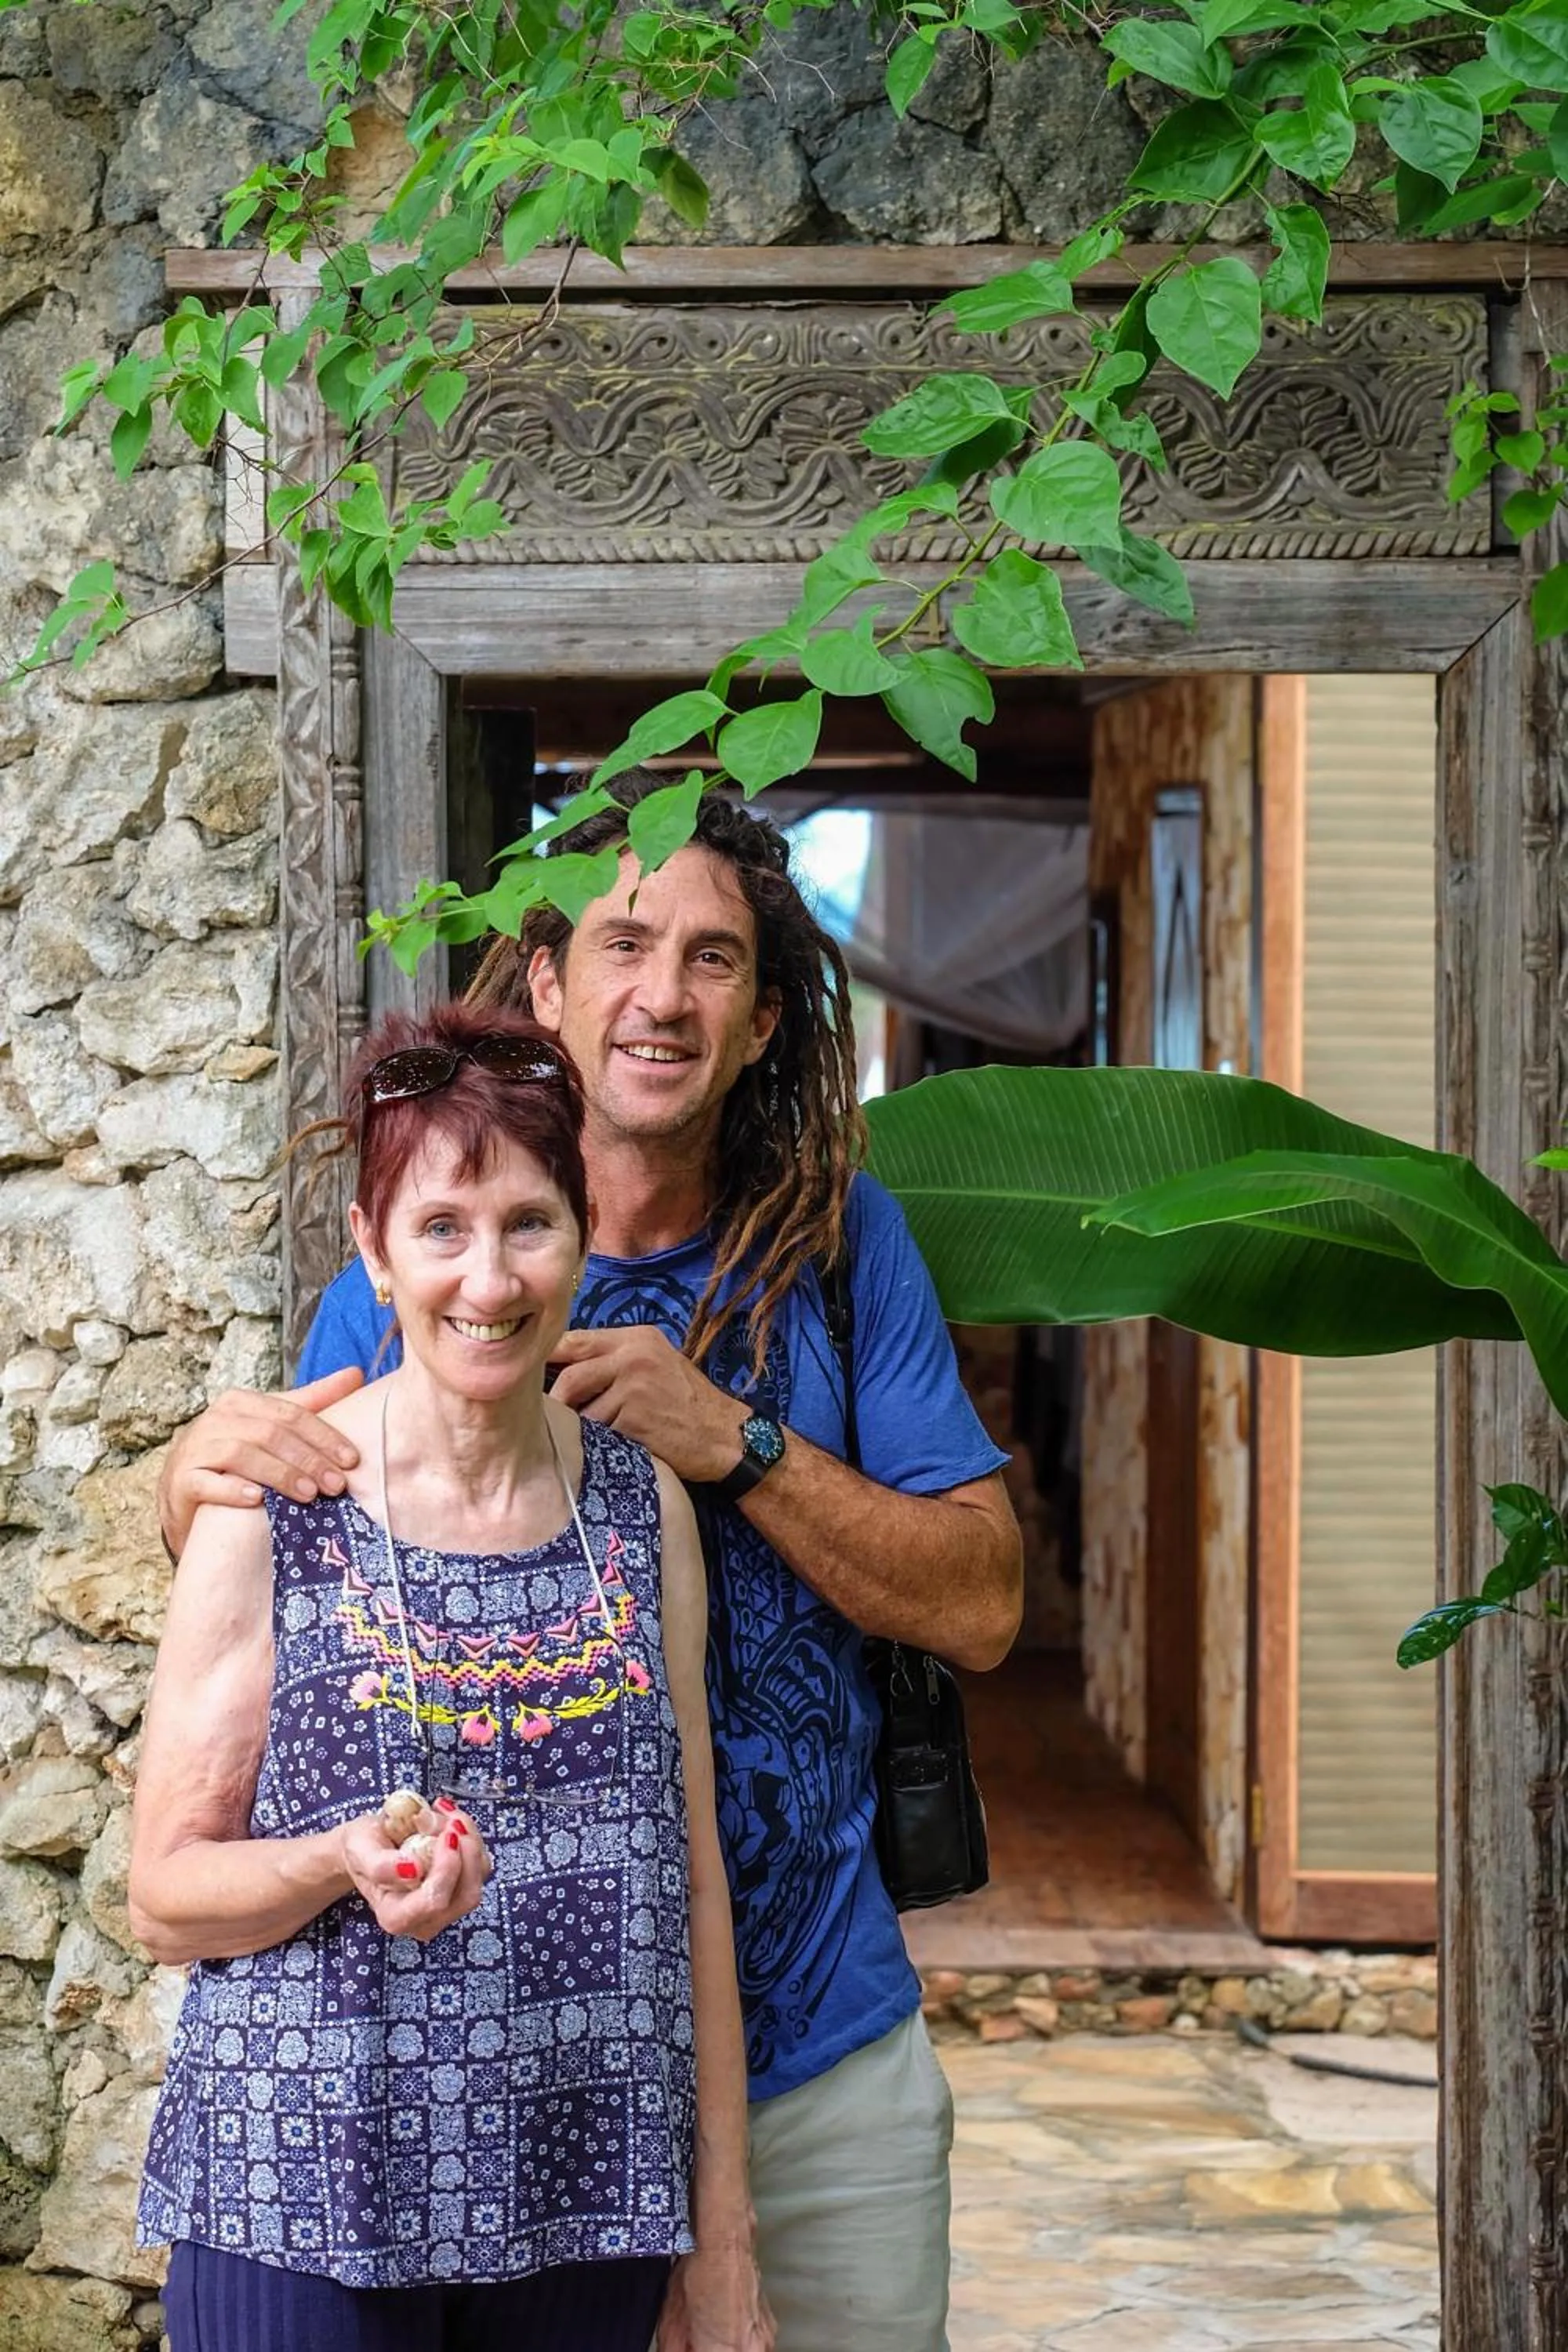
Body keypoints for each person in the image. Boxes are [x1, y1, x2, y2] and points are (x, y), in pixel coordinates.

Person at [158, 775, 1024, 2352]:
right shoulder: (440, 1265)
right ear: (549, 983)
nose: (662, 994)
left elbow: (981, 1602)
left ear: (764, 1020)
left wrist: (736, 1445)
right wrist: (181, 1478)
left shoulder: (836, 1246)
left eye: (712, 959)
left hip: (813, 2040)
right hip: (511, 2081)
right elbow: (282, 1529)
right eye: (626, 941)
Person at [132, 1006, 768, 2352]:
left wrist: (724, 2251)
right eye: (440, 1229)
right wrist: (332, 1861)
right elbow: (165, 1898)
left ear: (584, 1236)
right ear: (372, 1251)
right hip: (302, 2192)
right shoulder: (273, 1505)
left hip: (585, 2187)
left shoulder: (642, 1508)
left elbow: (691, 1875)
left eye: (529, 1223)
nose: (489, 1279)